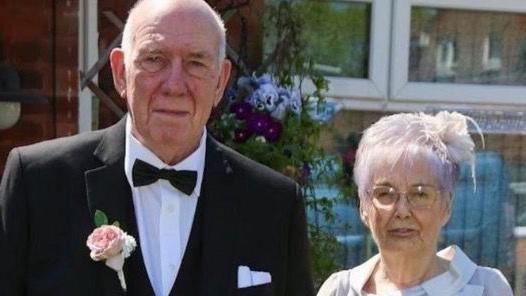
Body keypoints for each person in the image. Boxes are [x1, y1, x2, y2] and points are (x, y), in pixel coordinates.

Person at [0, 0, 314, 295]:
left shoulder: (274, 204)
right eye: (154, 59)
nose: (175, 84)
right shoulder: (37, 183)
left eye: (196, 63)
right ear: (121, 72)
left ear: (220, 81)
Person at [317, 112, 513, 296]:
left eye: (420, 194)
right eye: (385, 193)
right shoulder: (340, 290)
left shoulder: (486, 288)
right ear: (363, 206)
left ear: (446, 206)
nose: (402, 211)